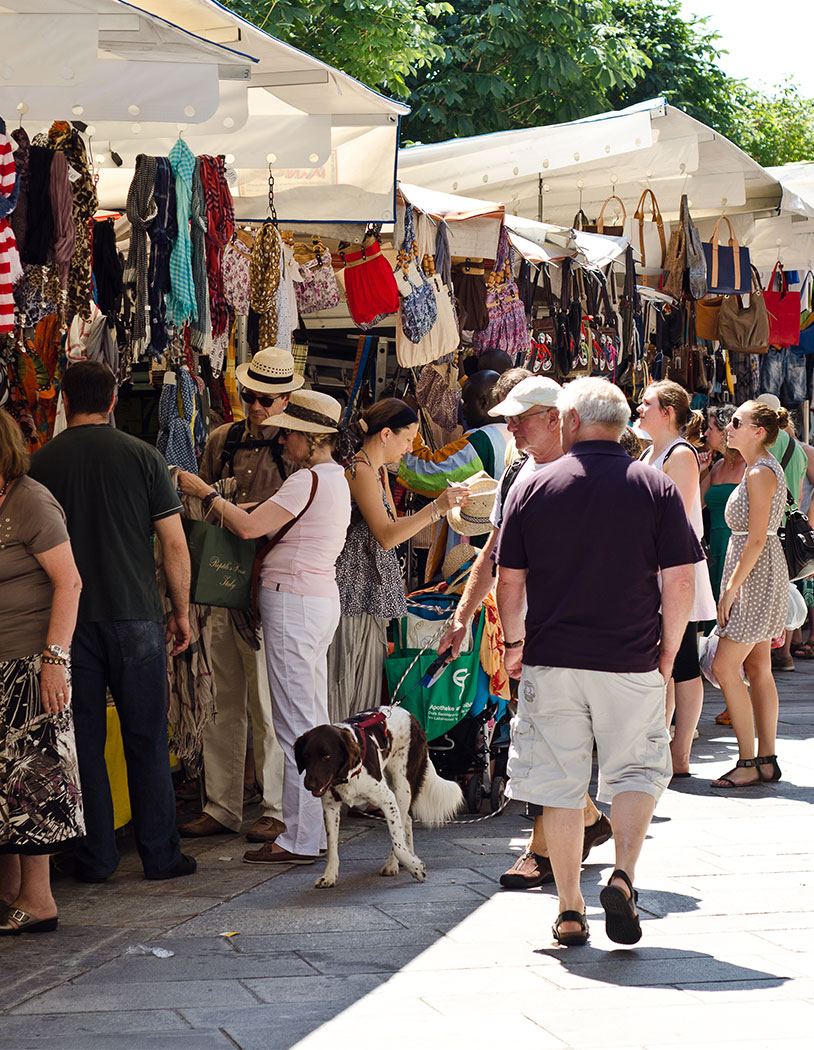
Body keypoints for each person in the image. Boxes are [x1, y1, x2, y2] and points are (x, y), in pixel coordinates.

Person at [496, 377, 702, 946]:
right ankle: (624, 875)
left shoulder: (533, 487)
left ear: (572, 421)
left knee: (560, 785)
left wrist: (514, 645)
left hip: (552, 659)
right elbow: (680, 580)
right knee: (638, 771)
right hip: (630, 658)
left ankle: (568, 907)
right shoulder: (655, 486)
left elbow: (510, 581)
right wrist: (668, 649)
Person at [436, 375, 612, 892]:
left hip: (575, 628)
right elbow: (493, 552)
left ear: (555, 418)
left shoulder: (590, 468)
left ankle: (544, 853)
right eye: (507, 419)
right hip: (526, 628)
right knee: (539, 732)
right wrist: (463, 614)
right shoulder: (516, 470)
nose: (509, 427)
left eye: (519, 418)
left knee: (553, 735)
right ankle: (582, 819)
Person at [28, 361, 195, 883]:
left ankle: (96, 857)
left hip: (68, 623)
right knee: (146, 738)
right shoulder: (143, 457)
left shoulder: (40, 464)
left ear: (63, 399)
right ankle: (161, 856)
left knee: (83, 743)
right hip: (137, 618)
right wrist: (181, 610)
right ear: (114, 399)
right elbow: (173, 543)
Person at [179, 390, 352, 865]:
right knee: (312, 717)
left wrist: (206, 493)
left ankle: (299, 837)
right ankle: (313, 831)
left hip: (293, 601)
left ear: (309, 436)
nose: (281, 438)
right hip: (315, 600)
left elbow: (249, 527)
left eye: (290, 431)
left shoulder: (307, 480)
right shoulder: (335, 478)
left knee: (296, 725)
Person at [179, 347, 301, 844]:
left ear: (287, 398)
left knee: (267, 702)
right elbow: (200, 508)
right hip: (220, 584)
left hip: (267, 589)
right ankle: (222, 804)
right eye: (251, 396)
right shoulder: (220, 440)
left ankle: (274, 805)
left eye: (267, 400)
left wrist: (242, 510)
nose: (256, 407)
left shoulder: (296, 449)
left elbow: (294, 517)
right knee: (222, 698)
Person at [327, 399, 470, 722]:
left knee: (362, 693)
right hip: (351, 591)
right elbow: (387, 535)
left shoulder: (376, 471)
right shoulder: (358, 470)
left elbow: (394, 530)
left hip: (368, 592)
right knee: (342, 686)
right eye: (408, 439)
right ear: (386, 434)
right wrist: (437, 508)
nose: (410, 448)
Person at [0, 410, 84, 934]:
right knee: (4, 786)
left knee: (32, 782)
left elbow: (69, 583)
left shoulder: (30, 500)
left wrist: (54, 659)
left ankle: (38, 900)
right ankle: (9, 892)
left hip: (30, 663)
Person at [638, 381, 716, 778]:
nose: (639, 407)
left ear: (667, 412)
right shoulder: (651, 451)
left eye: (646, 403)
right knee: (662, 657)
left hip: (674, 570)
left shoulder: (679, 454)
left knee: (682, 658)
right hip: (655, 569)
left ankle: (680, 751)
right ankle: (662, 741)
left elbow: (681, 519)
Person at [710, 401, 789, 788]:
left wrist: (729, 589)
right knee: (758, 668)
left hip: (754, 577)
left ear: (758, 431)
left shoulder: (759, 472)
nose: (729, 426)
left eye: (737, 422)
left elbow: (756, 538)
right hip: (758, 573)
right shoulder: (759, 469)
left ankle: (748, 760)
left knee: (726, 666)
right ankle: (766, 759)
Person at [701, 405, 745, 605]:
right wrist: (700, 468)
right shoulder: (718, 466)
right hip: (716, 546)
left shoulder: (748, 465)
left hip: (737, 547)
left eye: (710, 429)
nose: (705, 433)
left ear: (724, 432)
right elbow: (696, 502)